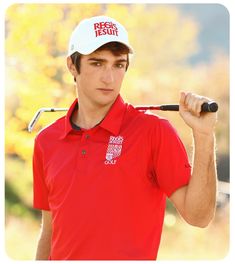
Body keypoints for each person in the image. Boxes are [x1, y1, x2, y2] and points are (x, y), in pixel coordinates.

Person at [33, 15, 217, 260]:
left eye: (118, 65)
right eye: (97, 63)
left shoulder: (153, 131)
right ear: (72, 66)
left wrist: (204, 137)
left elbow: (200, 216)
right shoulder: (46, 141)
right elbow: (50, 231)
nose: (109, 78)